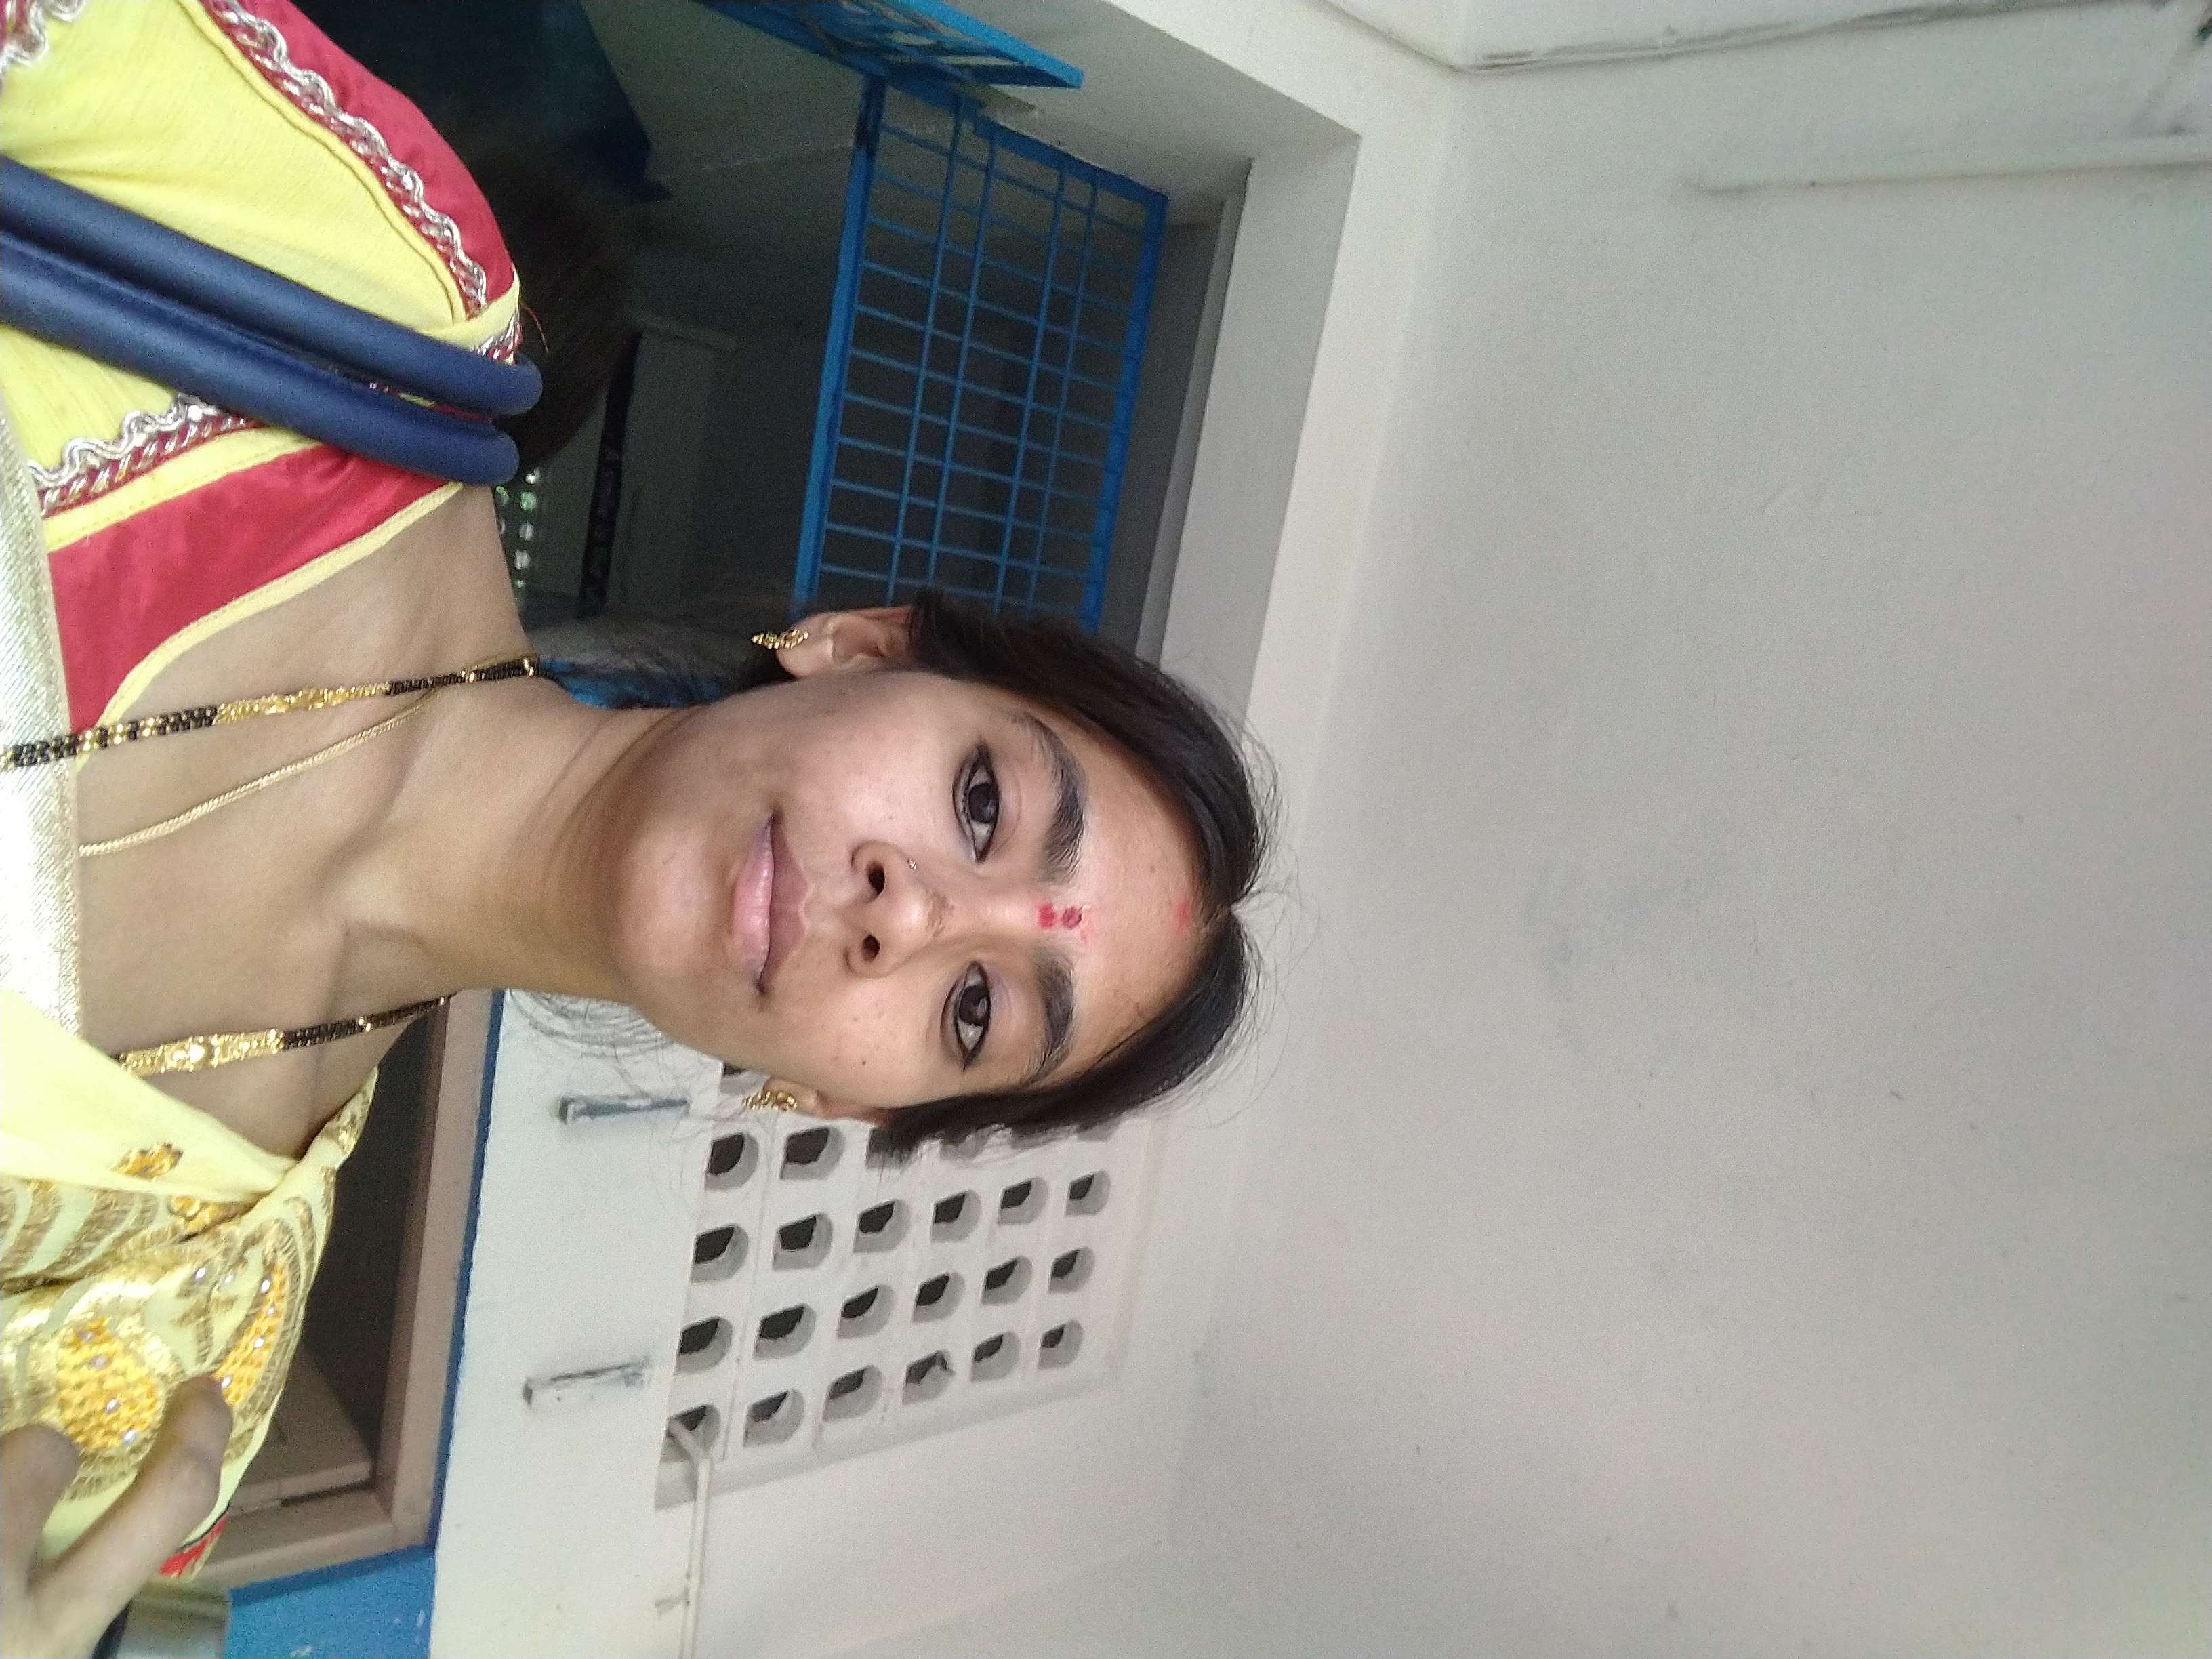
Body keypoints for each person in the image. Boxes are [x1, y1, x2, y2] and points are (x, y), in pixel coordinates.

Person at [0, 0, 1266, 1648]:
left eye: (975, 1011)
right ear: (860, 644)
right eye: (985, 801)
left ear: (830, 1099)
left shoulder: (164, 1341)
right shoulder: (356, 289)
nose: (912, 914)